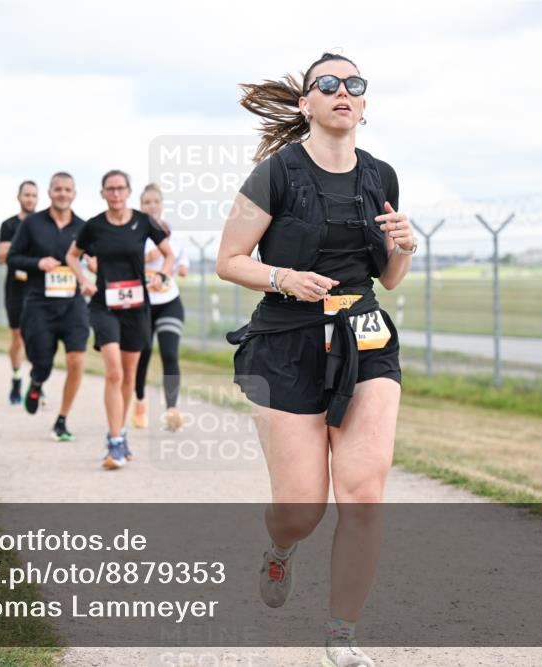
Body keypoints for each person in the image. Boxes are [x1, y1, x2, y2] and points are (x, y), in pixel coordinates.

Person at [216, 51, 417, 667]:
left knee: (363, 492)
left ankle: (341, 636)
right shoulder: (276, 174)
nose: (342, 92)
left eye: (353, 84)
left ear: (363, 103)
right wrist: (282, 277)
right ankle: (281, 549)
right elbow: (230, 259)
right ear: (306, 103)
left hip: (364, 340)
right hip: (286, 344)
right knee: (303, 508)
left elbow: (389, 278)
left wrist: (406, 249)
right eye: (326, 84)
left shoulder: (381, 176)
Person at [66, 169, 176, 469]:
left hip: (137, 307)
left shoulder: (144, 221)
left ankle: (121, 432)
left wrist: (163, 276)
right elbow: (72, 256)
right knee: (113, 372)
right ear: (102, 193)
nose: (115, 194)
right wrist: (83, 281)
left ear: (128, 191)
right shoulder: (94, 226)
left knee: (128, 376)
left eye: (120, 188)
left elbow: (168, 254)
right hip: (104, 305)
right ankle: (114, 442)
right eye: (110, 189)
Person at [8, 173, 89, 441]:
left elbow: (93, 256)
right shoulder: (33, 223)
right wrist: (38, 263)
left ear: (74, 194)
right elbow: (12, 258)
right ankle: (37, 382)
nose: (63, 193)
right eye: (58, 189)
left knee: (76, 359)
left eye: (68, 189)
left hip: (72, 304)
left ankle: (62, 420)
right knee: (42, 361)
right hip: (39, 304)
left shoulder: (83, 227)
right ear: (50, 193)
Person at [131, 183, 191, 432]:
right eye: (147, 202)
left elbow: (182, 264)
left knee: (169, 354)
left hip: (169, 303)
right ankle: (140, 402)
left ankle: (171, 410)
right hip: (141, 305)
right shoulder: (133, 231)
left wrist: (177, 267)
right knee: (142, 355)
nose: (151, 206)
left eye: (156, 201)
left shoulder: (174, 234)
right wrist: (149, 257)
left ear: (162, 204)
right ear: (140, 205)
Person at [0, 180, 39, 404]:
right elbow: (2, 257)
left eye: (34, 195)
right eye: (27, 195)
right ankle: (16, 378)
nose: (30, 199)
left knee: (38, 338)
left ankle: (37, 381)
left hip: (38, 288)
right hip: (16, 287)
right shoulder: (9, 225)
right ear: (19, 197)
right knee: (18, 338)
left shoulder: (43, 224)